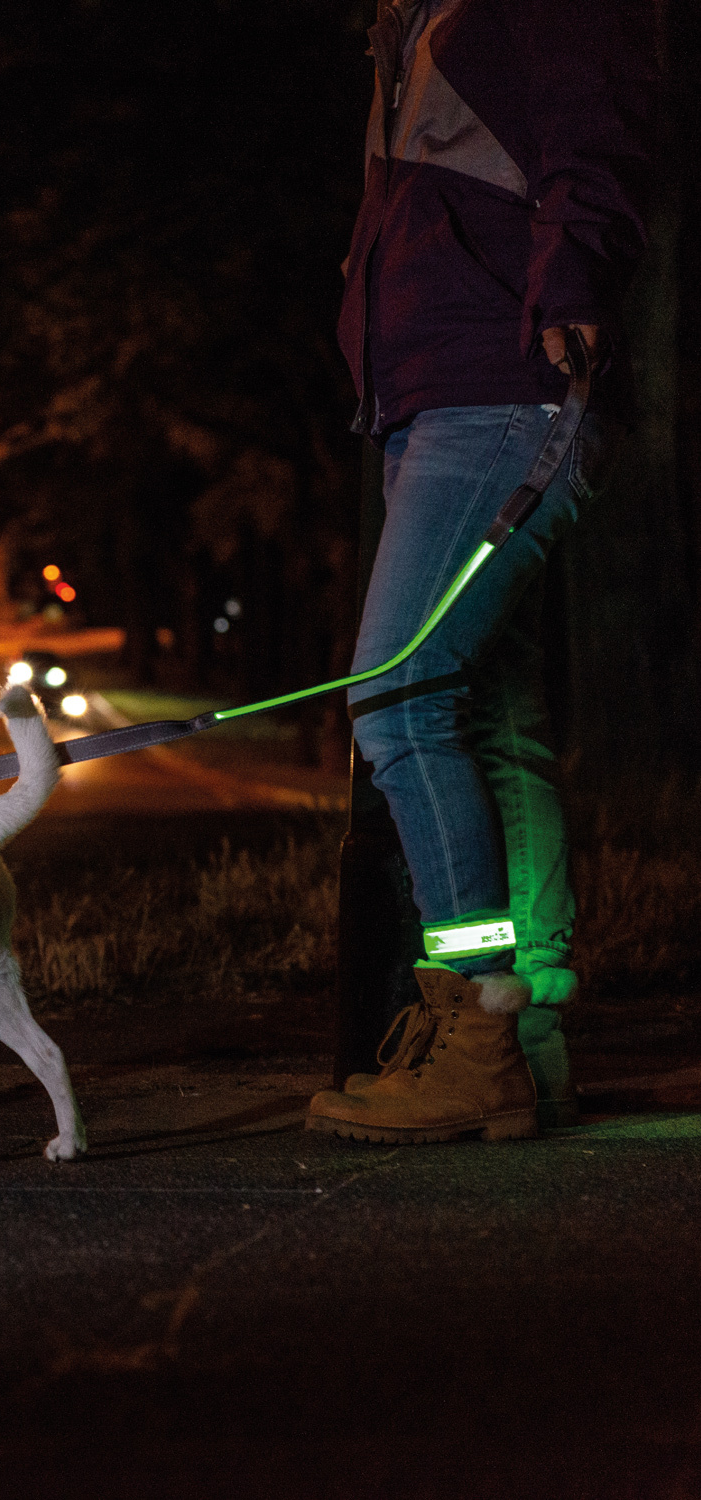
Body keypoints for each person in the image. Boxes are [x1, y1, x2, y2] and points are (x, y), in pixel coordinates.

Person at [306, 0, 660, 1141]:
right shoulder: (404, 27)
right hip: (435, 397)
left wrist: (571, 288)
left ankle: (475, 1040)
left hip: (500, 390)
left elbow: (596, 135)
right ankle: (525, 1044)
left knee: (399, 701)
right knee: (489, 725)